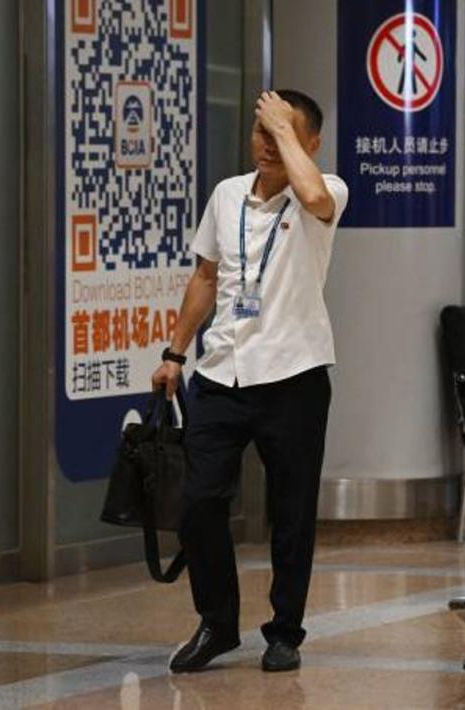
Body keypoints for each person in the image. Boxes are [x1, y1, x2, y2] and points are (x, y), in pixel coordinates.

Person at [152, 89, 349, 674]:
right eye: (260, 132)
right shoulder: (227, 195)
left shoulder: (327, 188)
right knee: (197, 503)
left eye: (282, 133)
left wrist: (284, 128)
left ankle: (284, 631)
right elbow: (206, 275)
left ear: (310, 142)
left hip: (294, 375)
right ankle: (217, 623)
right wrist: (174, 352)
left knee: (291, 513)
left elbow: (310, 193)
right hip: (221, 371)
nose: (267, 144)